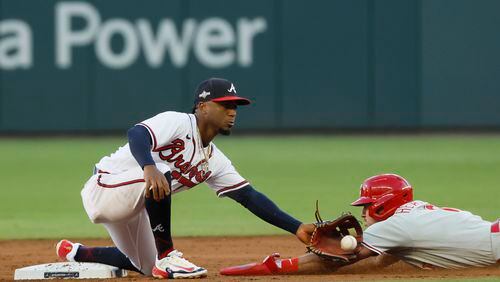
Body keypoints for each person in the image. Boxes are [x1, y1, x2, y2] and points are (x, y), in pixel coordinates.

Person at [55, 78, 314, 279]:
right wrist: (148, 166)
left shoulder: (214, 160)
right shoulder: (178, 122)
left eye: (235, 106)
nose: (232, 111)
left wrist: (297, 227)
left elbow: (249, 196)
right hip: (104, 188)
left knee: (145, 266)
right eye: (225, 104)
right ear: (202, 107)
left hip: (133, 205)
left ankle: (77, 253)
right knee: (162, 172)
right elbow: (137, 134)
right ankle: (168, 256)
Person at [220, 173, 500, 275]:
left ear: (383, 203)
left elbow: (336, 260)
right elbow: (380, 262)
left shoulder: (392, 227)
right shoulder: (415, 213)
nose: (364, 211)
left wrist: (279, 265)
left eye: (366, 204)